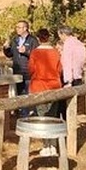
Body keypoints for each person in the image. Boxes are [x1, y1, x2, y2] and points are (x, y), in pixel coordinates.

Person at [28, 28, 62, 157]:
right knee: (53, 116)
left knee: (42, 116)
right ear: (49, 38)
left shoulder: (35, 53)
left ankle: (46, 146)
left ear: (38, 38)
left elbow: (31, 69)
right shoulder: (55, 52)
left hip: (39, 86)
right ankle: (53, 145)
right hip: (54, 86)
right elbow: (59, 69)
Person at [3, 19, 39, 115]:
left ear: (25, 28)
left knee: (29, 94)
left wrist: (26, 52)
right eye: (16, 27)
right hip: (17, 71)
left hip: (28, 72)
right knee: (20, 94)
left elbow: (37, 56)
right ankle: (23, 115)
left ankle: (31, 114)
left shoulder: (33, 40)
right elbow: (10, 54)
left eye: (19, 27)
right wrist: (6, 48)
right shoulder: (15, 39)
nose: (17, 29)